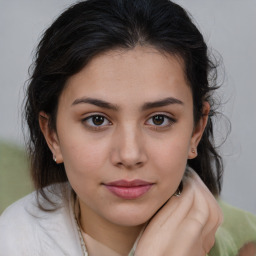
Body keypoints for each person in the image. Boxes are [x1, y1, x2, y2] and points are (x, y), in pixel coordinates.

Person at [0, 0, 255, 255]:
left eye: (159, 119)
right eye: (97, 120)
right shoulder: (15, 240)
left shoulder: (245, 240)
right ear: (52, 135)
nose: (130, 155)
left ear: (196, 130)